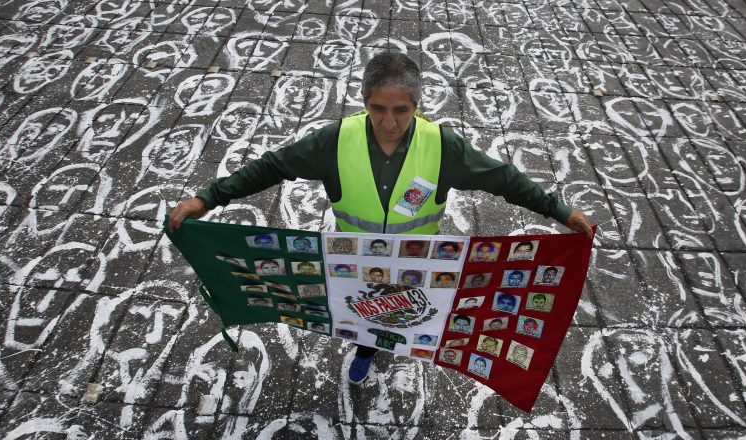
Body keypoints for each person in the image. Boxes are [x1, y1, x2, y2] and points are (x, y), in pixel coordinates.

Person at [168, 51, 593, 385]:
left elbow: (504, 179)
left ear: (415, 105)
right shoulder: (334, 141)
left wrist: (560, 211)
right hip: (353, 262)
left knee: (413, 316)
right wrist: (208, 198)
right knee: (365, 320)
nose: (389, 123)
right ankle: (368, 350)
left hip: (419, 262)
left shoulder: (442, 147)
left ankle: (400, 345)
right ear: (364, 102)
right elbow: (271, 166)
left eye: (400, 110)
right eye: (378, 109)